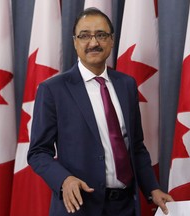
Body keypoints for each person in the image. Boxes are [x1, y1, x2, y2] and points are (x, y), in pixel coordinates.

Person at [27, 7, 173, 216]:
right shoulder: (53, 90)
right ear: (75, 42)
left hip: (125, 207)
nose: (93, 43)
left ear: (111, 40)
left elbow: (136, 147)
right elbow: (38, 152)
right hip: (80, 208)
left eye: (101, 35)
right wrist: (63, 180)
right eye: (85, 36)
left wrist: (152, 189)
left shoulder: (127, 85)